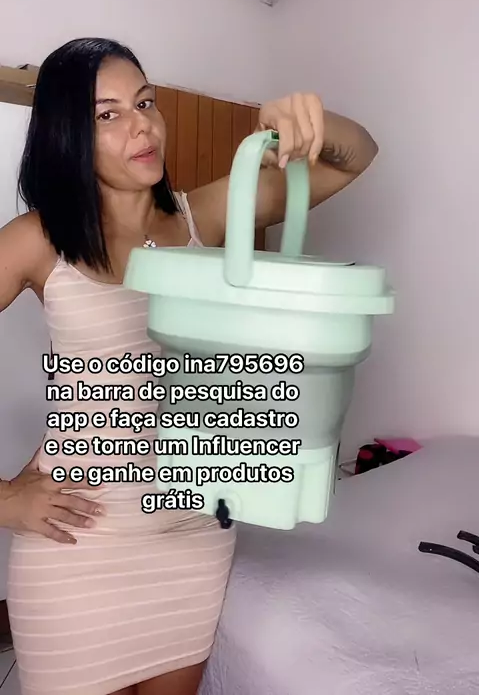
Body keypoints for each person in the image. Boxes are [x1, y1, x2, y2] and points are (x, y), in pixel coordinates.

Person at [0, 38, 378, 695]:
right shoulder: (36, 239)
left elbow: (356, 156)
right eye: (108, 114)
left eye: (145, 102)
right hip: (78, 540)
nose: (142, 125)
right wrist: (5, 498)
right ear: (66, 135)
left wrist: (311, 120)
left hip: (192, 535)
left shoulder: (204, 216)